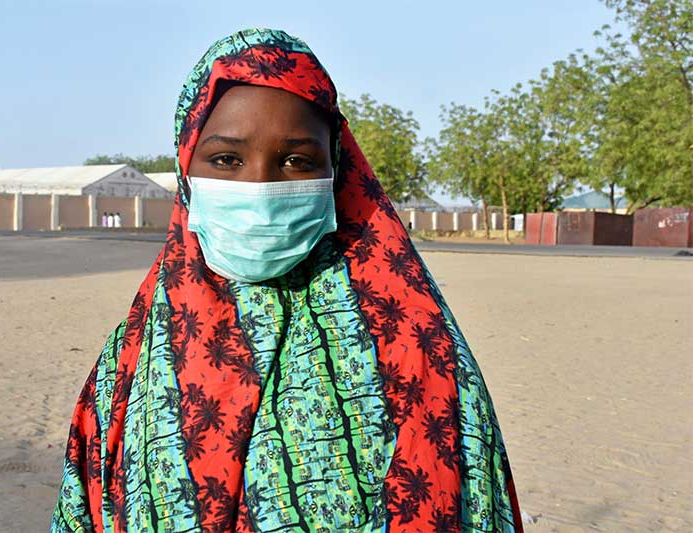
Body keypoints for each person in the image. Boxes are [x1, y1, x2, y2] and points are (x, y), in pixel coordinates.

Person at [51, 28, 522, 533]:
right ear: (187, 166)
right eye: (227, 159)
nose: (260, 186)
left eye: (296, 161)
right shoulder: (131, 359)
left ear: (336, 172)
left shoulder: (414, 350)